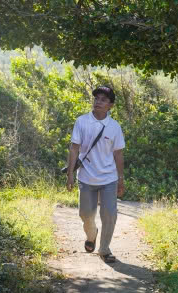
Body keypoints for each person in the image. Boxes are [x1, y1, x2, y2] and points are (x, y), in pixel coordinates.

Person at [65, 85, 125, 263]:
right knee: (85, 214)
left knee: (109, 214)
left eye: (103, 100)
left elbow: (118, 154)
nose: (98, 102)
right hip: (86, 177)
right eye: (96, 98)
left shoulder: (114, 127)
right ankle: (92, 235)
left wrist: (121, 179)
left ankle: (104, 249)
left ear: (110, 106)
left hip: (109, 178)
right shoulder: (82, 121)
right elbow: (74, 149)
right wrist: (69, 175)